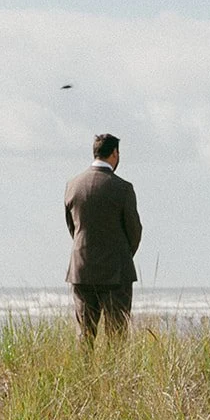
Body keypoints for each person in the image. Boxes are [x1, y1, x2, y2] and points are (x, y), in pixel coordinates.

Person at [64, 133, 142, 344]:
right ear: (114, 153)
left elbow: (73, 228)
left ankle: (83, 375)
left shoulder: (73, 186)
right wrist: (124, 254)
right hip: (116, 272)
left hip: (82, 268)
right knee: (117, 336)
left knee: (85, 335)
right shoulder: (123, 189)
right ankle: (115, 377)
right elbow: (134, 230)